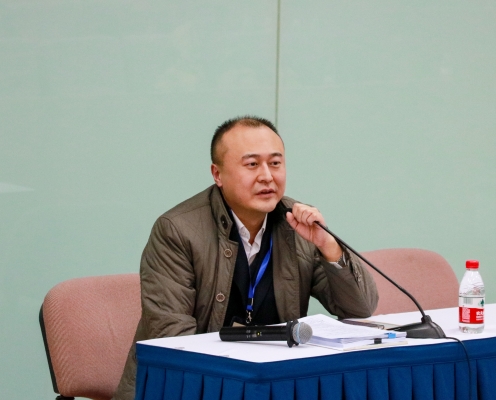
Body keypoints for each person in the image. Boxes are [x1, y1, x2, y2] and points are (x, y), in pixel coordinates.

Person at [112, 116, 378, 400]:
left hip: (272, 383)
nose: (267, 176)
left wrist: (328, 246)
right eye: (252, 164)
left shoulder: (298, 225)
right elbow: (173, 339)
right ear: (217, 174)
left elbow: (360, 308)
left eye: (275, 163)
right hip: (193, 386)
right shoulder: (177, 231)